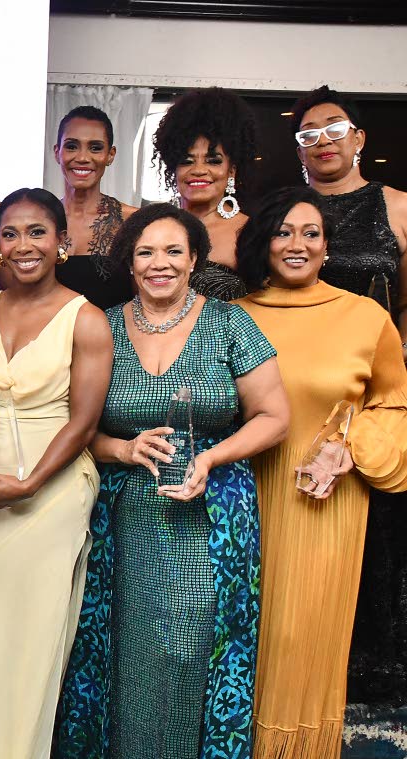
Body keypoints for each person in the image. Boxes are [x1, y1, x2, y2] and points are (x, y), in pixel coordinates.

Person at [57, 203, 289, 759]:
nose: (159, 263)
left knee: (192, 649)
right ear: (129, 264)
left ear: (194, 260)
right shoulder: (102, 325)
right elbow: (71, 427)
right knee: (125, 652)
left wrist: (212, 459)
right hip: (122, 520)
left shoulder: (231, 321)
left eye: (173, 251)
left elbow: (274, 417)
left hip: (212, 518)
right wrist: (121, 447)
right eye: (145, 253)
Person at [233, 187, 407, 758]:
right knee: (244, 634)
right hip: (243, 498)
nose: (297, 244)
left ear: (328, 245)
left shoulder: (365, 317)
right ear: (263, 242)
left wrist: (349, 446)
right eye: (283, 231)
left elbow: (394, 404)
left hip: (327, 500)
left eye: (311, 232)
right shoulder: (233, 317)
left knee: (304, 632)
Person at [0, 188, 111, 759]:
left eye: (37, 232)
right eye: (9, 234)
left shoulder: (85, 320)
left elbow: (85, 422)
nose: (23, 245)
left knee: (33, 640)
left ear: (62, 242)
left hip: (52, 498)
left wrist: (31, 483)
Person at [290, 85, 407, 705]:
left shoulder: (397, 208)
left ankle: (367, 712)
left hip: (373, 403)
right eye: (308, 133)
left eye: (334, 128)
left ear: (360, 139)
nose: (323, 141)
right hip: (298, 403)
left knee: (374, 560)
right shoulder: (281, 215)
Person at [153, 87, 258, 301]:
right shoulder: (152, 227)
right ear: (174, 169)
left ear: (232, 170)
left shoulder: (252, 233)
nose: (199, 169)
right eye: (187, 161)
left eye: (213, 160)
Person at [53, 106, 138, 309]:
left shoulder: (134, 222)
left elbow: (146, 302)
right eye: (72, 146)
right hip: (47, 340)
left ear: (110, 155)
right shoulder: (39, 222)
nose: (82, 157)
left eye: (95, 147)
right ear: (57, 152)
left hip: (116, 339)